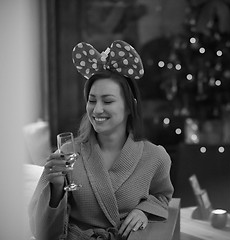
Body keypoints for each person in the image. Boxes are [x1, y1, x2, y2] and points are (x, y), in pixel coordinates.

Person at [29, 40, 174, 240]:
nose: (97, 110)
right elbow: (41, 232)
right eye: (91, 100)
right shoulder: (66, 156)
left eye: (107, 101)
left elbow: (162, 196)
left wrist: (144, 210)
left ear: (129, 106)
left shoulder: (155, 157)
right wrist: (55, 189)